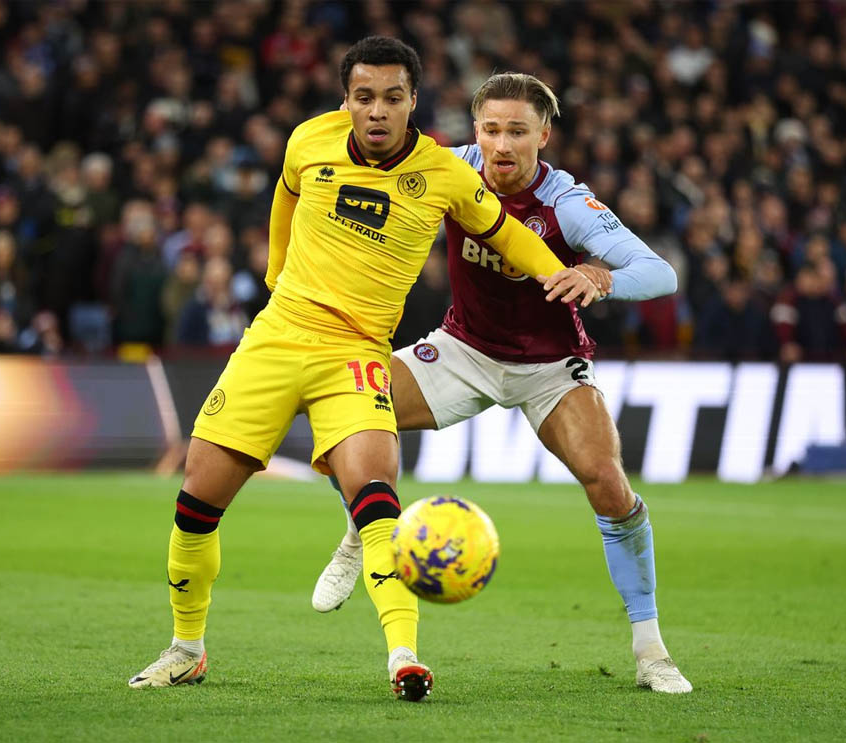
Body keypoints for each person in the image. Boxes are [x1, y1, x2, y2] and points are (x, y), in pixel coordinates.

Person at [128, 38, 597, 700]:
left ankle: (403, 657)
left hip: (356, 354)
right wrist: (273, 274)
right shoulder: (308, 141)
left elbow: (510, 234)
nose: (377, 111)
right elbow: (285, 199)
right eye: (364, 97)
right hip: (276, 339)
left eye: (393, 98)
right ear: (346, 99)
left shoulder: (444, 174)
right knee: (196, 501)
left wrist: (560, 272)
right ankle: (186, 647)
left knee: (376, 502)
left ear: (413, 102)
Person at [310, 73, 691, 693]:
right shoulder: (452, 167)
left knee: (607, 483)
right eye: (491, 130)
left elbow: (660, 274)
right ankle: (361, 533)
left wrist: (600, 278)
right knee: (352, 403)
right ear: (476, 131)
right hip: (463, 348)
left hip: (549, 365)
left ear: (544, 133)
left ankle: (651, 651)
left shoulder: (566, 203)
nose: (502, 145)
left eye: (517, 131)